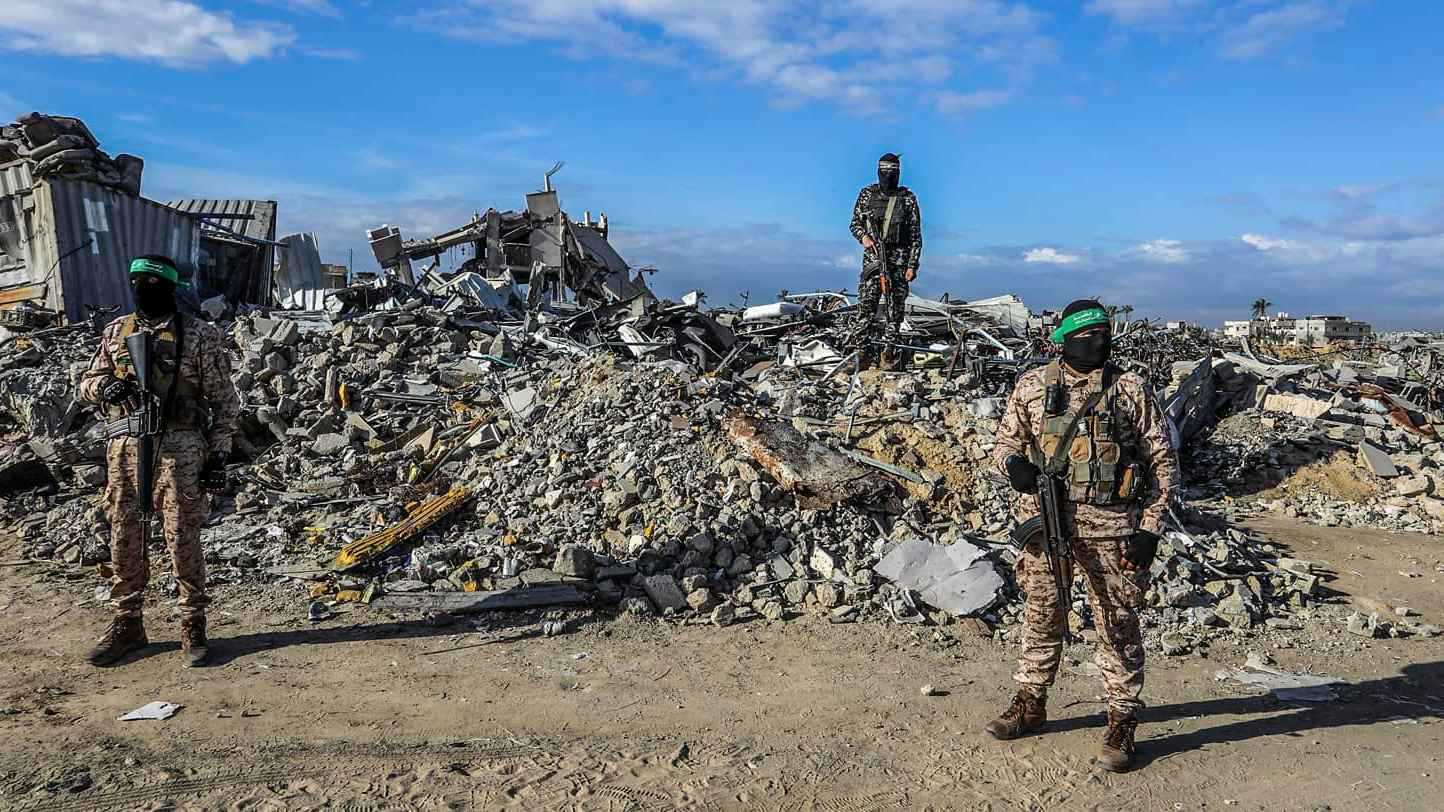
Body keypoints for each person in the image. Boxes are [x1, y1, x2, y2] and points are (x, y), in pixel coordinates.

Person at [987, 299, 1179, 772]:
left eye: (1104, 332)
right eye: (1088, 334)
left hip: (1114, 528)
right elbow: (1004, 443)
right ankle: (1030, 703)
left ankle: (1122, 719)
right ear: (1065, 340)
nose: (1100, 341)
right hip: (1047, 525)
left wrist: (1150, 530)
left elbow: (1164, 463)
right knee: (1042, 615)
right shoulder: (1032, 386)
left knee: (1117, 624)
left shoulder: (1129, 388)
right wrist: (1014, 466)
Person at [79, 255, 240, 668]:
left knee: (181, 534)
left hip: (180, 448)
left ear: (170, 288)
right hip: (126, 446)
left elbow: (224, 401)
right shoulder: (117, 332)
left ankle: (192, 623)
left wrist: (218, 455)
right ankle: (127, 622)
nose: (143, 289)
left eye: (152, 283)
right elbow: (86, 384)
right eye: (137, 282)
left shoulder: (199, 335)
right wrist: (108, 387)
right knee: (123, 533)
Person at [847, 152, 921, 371]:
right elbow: (854, 224)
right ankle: (862, 353)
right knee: (865, 308)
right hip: (873, 262)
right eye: (885, 172)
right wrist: (864, 238)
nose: (888, 176)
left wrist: (911, 266)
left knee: (894, 312)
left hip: (898, 263)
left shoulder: (907, 199)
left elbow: (915, 237)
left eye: (893, 172)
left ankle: (888, 353)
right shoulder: (867, 195)